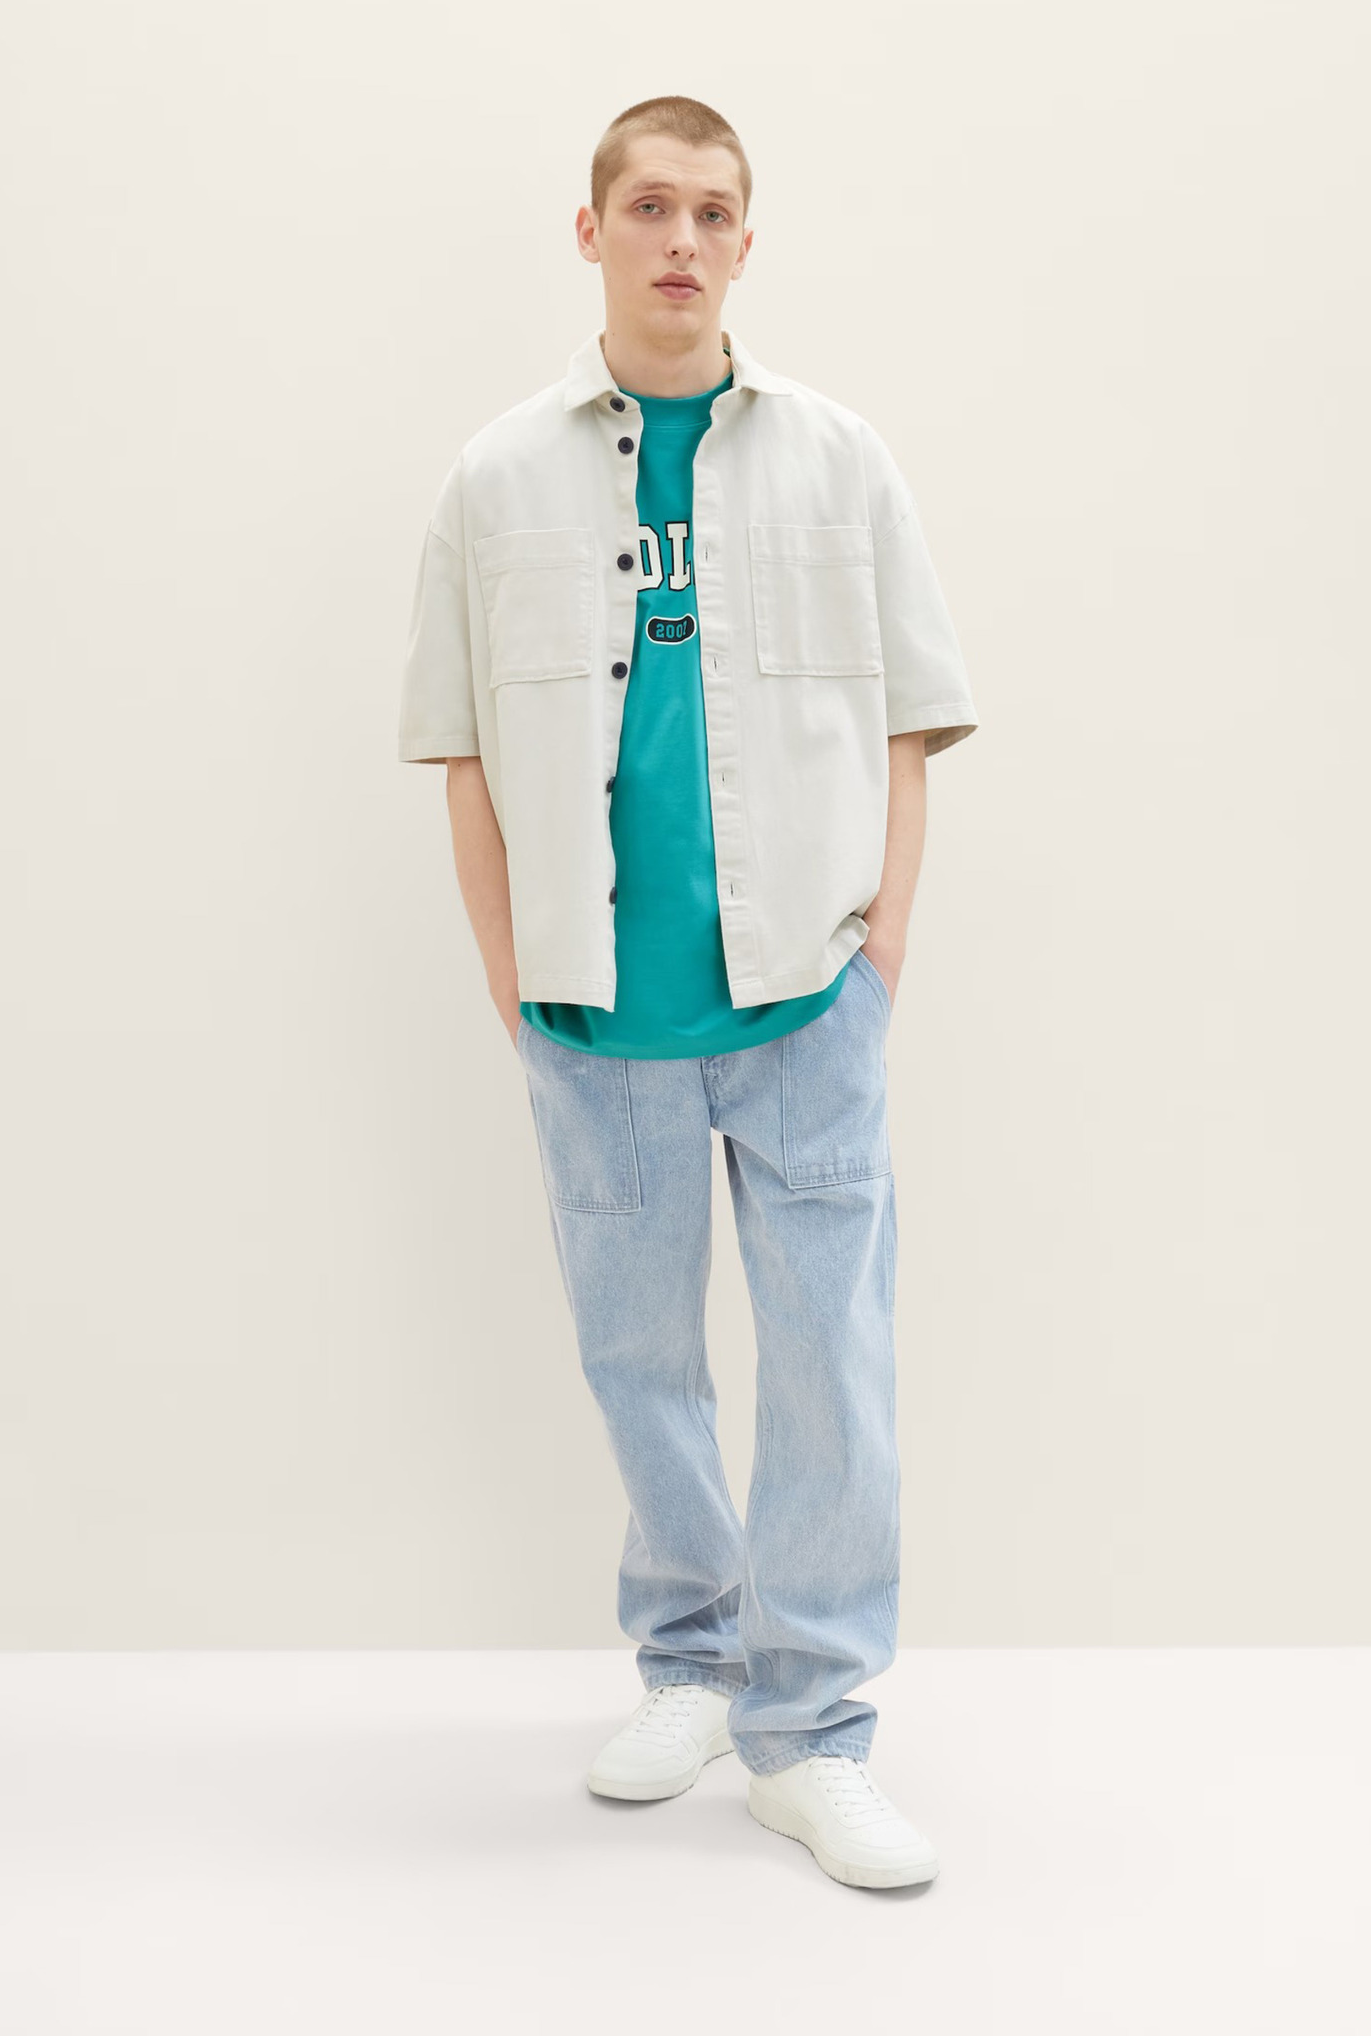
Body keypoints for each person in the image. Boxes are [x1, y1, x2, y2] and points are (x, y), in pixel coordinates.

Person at [398, 95, 979, 1891]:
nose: (681, 240)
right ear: (592, 232)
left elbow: (910, 719)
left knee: (832, 1373)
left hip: (806, 1005)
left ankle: (814, 1734)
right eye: (648, 207)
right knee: (638, 1364)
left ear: (746, 241)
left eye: (713, 212)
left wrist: (881, 957)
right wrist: (514, 983)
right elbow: (462, 750)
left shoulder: (839, 458)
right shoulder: (496, 478)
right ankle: (690, 1665)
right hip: (595, 1023)